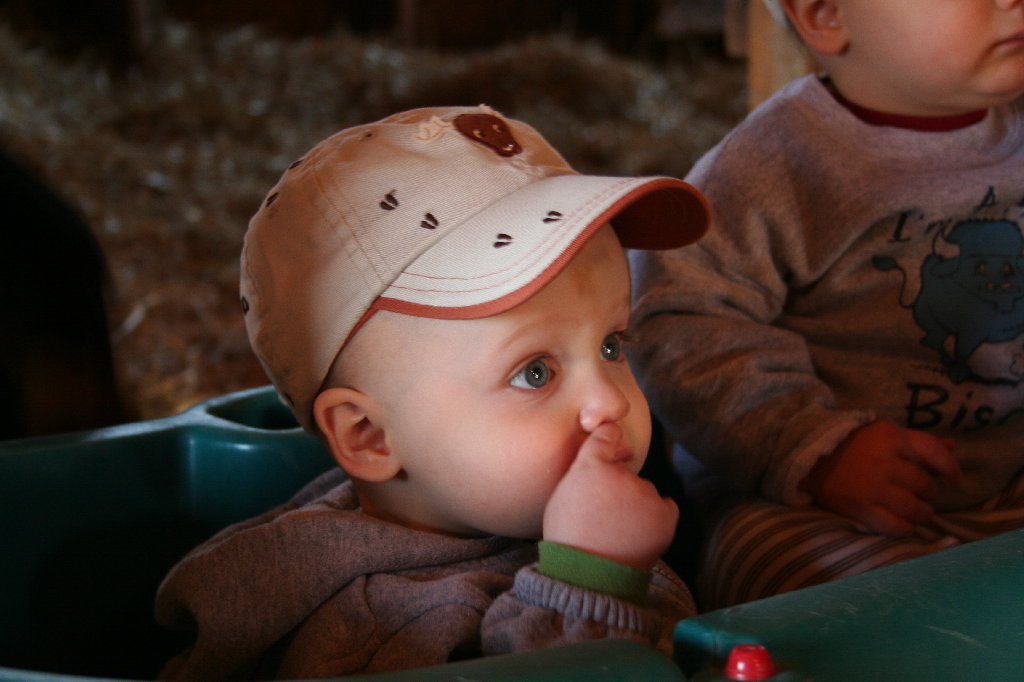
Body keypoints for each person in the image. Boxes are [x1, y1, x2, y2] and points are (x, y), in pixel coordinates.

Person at [154, 105, 709, 680]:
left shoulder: (521, 510)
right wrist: (592, 580)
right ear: (369, 436)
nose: (612, 403)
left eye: (611, 345)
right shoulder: (378, 633)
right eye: (534, 373)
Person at [629, 0, 1024, 609]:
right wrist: (817, 449)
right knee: (773, 568)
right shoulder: (769, 168)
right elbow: (678, 324)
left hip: (1011, 481)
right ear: (826, 15)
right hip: (824, 508)